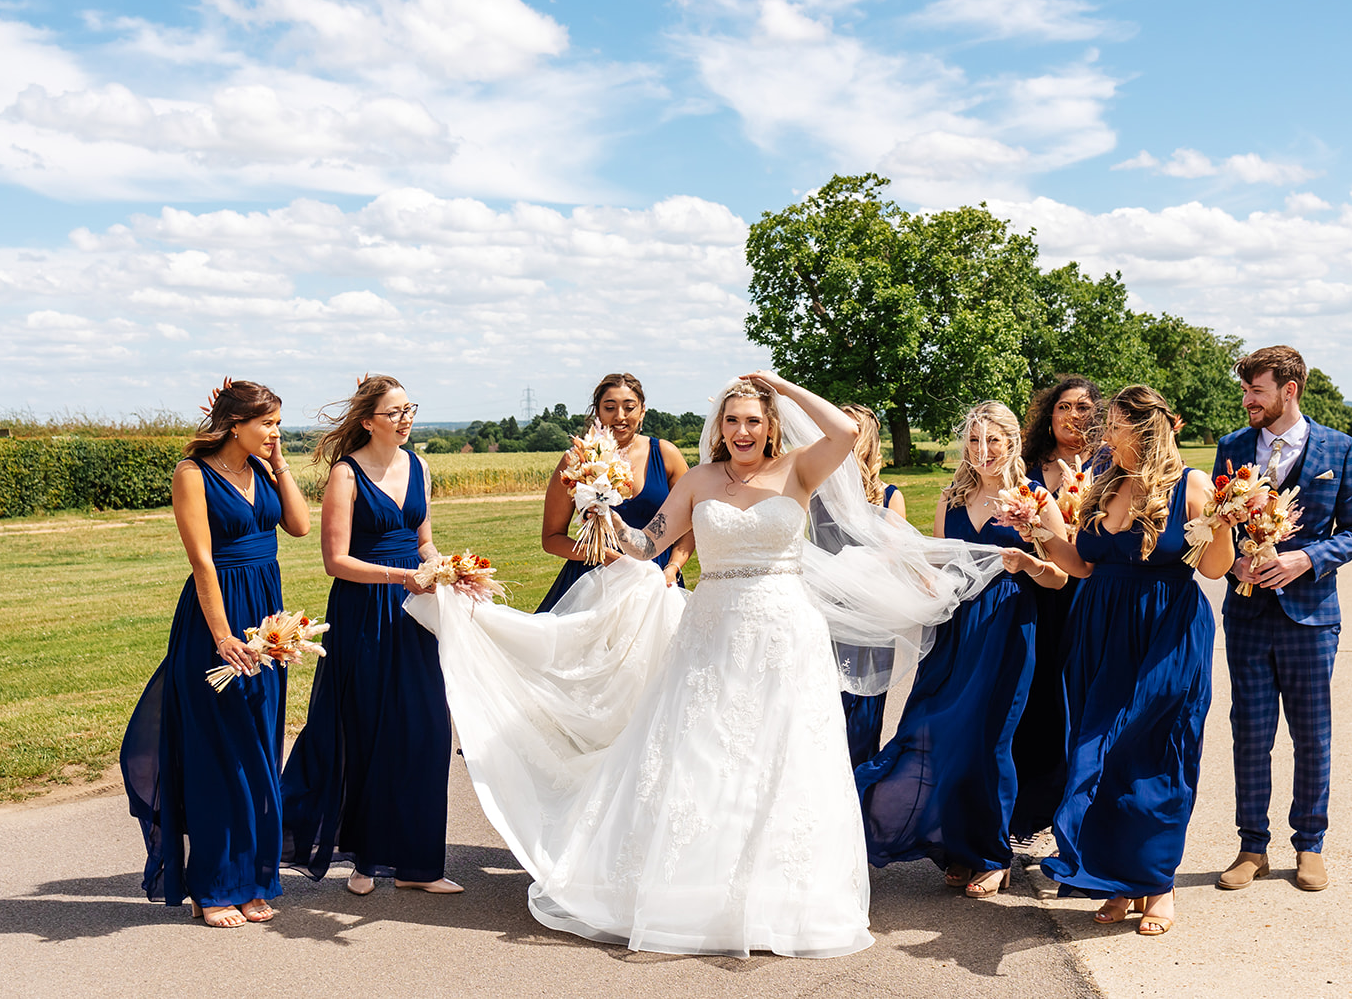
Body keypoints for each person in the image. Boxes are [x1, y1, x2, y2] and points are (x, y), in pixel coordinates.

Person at [407, 372, 1006, 958]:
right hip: (712, 632)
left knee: (781, 756)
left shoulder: (798, 469)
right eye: (732, 421)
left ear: (769, 425)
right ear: (718, 428)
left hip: (783, 633)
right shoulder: (698, 480)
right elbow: (648, 544)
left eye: (752, 420)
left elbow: (846, 431)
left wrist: (783, 387)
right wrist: (605, 507)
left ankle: (778, 895)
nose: (741, 431)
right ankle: (693, 892)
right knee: (703, 753)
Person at [1038, 385, 1238, 936]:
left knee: (1155, 753)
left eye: (1114, 426)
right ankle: (1113, 880)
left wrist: (1223, 524)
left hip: (1165, 631)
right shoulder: (1105, 480)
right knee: (1098, 752)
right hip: (1098, 631)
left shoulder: (1192, 484)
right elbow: (1081, 565)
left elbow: (1217, 569)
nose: (1103, 434)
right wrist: (1040, 532)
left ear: (1144, 429)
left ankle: (1157, 884)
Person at [854, 402, 1068, 898]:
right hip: (954, 628)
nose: (983, 451)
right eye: (974, 441)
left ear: (1012, 443)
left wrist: (1028, 564)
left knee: (992, 740)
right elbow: (941, 564)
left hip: (1009, 623)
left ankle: (993, 855)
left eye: (994, 441)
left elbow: (1062, 576)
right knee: (930, 729)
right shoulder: (951, 498)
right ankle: (953, 846)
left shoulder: (1035, 499)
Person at [120, 379, 310, 928]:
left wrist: (281, 465)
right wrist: (223, 637)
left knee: (258, 751)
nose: (276, 432)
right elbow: (203, 562)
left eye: (277, 422)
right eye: (267, 424)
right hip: (215, 619)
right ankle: (214, 886)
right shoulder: (192, 475)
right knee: (217, 757)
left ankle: (254, 879)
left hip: (267, 615)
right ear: (234, 424)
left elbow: (297, 526)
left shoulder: (263, 470)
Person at [280, 375, 462, 896]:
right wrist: (400, 576)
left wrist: (447, 568)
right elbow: (335, 561)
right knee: (368, 733)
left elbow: (423, 541)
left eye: (410, 410)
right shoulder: (346, 473)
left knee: (425, 730)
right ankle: (365, 861)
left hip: (417, 609)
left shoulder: (420, 466)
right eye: (395, 412)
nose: (406, 419)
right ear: (368, 422)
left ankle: (419, 866)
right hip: (365, 609)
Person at [1214, 346, 1352, 895]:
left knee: (1312, 735)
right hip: (1248, 613)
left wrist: (1306, 559)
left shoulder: (1340, 449)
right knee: (1250, 734)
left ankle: (1310, 845)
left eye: (1256, 390)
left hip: (1312, 615)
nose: (1247, 400)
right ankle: (1251, 846)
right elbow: (1218, 524)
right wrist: (1231, 557)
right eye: (1246, 390)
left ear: (1289, 390)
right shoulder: (1232, 447)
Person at [1011, 376, 1110, 845]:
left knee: (1082, 699)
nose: (1074, 416)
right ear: (1048, 416)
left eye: (1085, 407)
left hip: (1089, 595)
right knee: (1035, 697)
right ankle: (1030, 810)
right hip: (1037, 593)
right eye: (1064, 407)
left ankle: (1077, 809)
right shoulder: (1026, 467)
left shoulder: (1110, 464)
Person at [536, 373, 694, 611]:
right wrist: (603, 555)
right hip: (593, 582)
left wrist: (673, 567)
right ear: (597, 413)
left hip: (658, 581)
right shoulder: (575, 460)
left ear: (642, 412)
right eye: (609, 407)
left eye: (629, 407)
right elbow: (551, 539)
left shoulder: (665, 454)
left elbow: (691, 523)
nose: (620, 416)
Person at [833, 403, 906, 767]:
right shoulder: (818, 490)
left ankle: (860, 796)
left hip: (872, 619)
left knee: (864, 717)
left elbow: (895, 555)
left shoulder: (890, 496)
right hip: (827, 613)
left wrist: (849, 568)